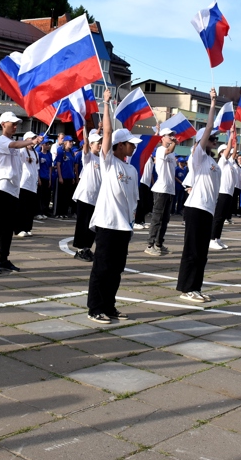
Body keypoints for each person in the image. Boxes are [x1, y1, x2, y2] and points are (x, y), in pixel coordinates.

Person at [86, 89, 140, 324]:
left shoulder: (131, 169)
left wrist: (131, 223)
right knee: (102, 269)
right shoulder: (108, 163)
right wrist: (106, 104)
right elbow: (107, 132)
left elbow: (133, 200)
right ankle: (95, 308)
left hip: (123, 227)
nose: (133, 147)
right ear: (119, 145)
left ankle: (109, 305)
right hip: (107, 224)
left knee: (116, 270)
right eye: (130, 144)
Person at [177, 89, 219, 302]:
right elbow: (209, 127)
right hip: (196, 208)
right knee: (193, 250)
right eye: (211, 138)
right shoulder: (198, 157)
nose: (214, 139)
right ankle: (186, 288)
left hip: (208, 209)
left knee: (202, 252)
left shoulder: (212, 161)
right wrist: (212, 103)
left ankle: (195, 286)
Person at [0, 112, 36, 274]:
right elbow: (14, 146)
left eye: (16, 124)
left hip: (14, 189)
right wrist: (30, 140)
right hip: (2, 187)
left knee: (8, 227)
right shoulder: (1, 140)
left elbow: (20, 149)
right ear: (2, 124)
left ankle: (4, 259)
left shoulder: (14, 142)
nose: (15, 126)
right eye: (12, 123)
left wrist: (32, 143)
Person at [72, 128, 103, 260]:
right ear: (91, 144)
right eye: (97, 143)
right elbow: (85, 147)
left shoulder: (102, 159)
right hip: (85, 196)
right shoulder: (88, 157)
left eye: (101, 142)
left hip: (96, 198)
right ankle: (80, 250)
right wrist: (84, 129)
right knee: (82, 223)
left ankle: (87, 248)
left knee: (92, 225)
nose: (100, 145)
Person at [145, 127, 177, 256]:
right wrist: (174, 143)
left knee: (165, 219)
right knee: (157, 218)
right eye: (169, 135)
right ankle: (150, 245)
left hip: (170, 189)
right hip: (160, 189)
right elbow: (168, 150)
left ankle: (159, 243)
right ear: (162, 137)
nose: (171, 137)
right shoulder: (160, 150)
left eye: (172, 135)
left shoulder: (172, 153)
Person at [210, 135, 237, 250]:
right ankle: (211, 239)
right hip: (222, 192)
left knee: (222, 217)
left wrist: (235, 139)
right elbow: (228, 152)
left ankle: (217, 238)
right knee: (218, 217)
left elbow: (234, 152)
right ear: (221, 152)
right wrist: (231, 137)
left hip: (229, 193)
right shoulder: (222, 161)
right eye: (227, 151)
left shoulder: (230, 163)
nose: (230, 153)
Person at [16, 131, 44, 238]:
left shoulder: (35, 153)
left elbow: (36, 169)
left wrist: (38, 180)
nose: (33, 141)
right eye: (31, 139)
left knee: (30, 208)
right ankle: (19, 229)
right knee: (21, 207)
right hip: (23, 184)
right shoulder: (22, 151)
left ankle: (27, 228)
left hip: (33, 185)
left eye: (34, 138)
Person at [36, 138, 52, 219]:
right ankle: (38, 212)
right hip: (40, 177)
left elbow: (50, 167)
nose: (48, 146)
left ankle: (44, 211)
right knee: (40, 196)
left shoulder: (49, 155)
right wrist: (38, 178)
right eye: (46, 144)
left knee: (46, 196)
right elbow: (37, 167)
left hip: (46, 177)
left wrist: (49, 179)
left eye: (48, 144)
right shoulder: (39, 154)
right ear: (42, 145)